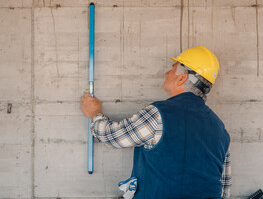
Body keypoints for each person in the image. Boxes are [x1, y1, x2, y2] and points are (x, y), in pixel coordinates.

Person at [81, 45, 231, 199]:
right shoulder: (221, 130)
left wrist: (94, 113)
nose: (166, 73)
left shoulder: (159, 114)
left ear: (182, 78)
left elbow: (113, 137)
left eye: (172, 69)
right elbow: (224, 190)